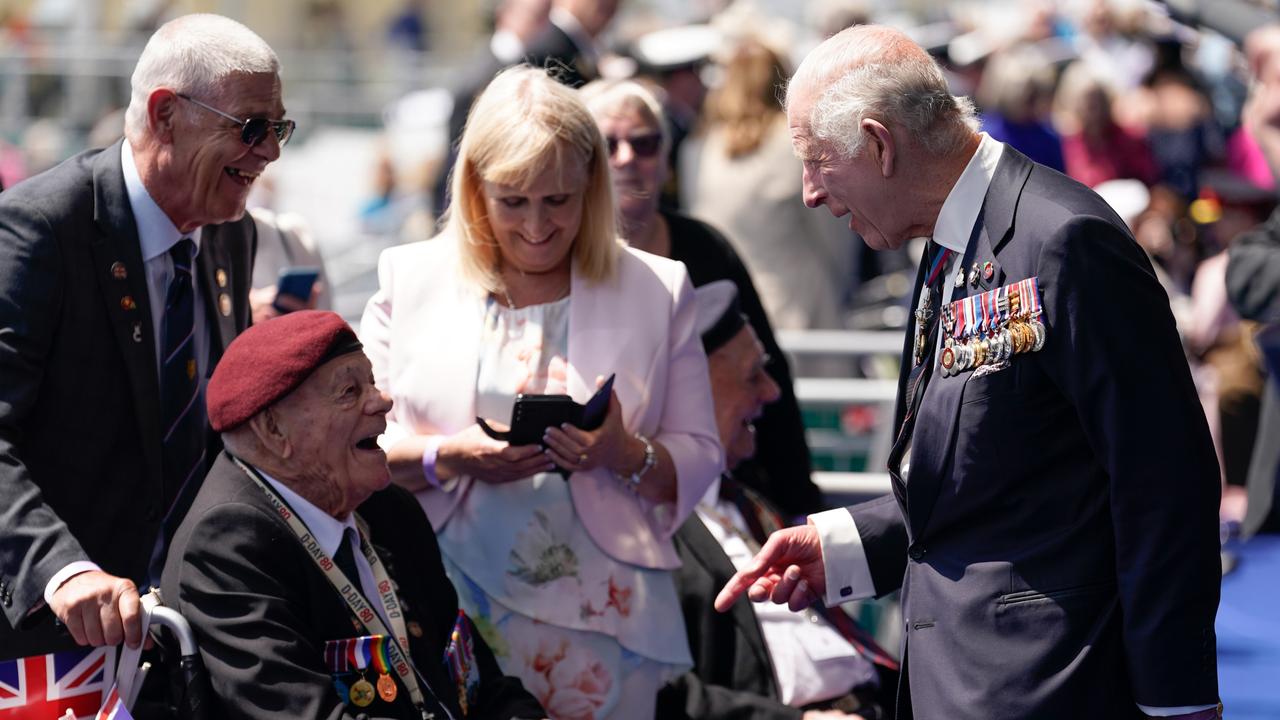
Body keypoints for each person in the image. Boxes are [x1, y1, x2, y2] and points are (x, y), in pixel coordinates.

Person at [716, 25, 1222, 719]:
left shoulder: (1062, 239)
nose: (810, 192)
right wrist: (846, 545)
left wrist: (1177, 702)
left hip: (1053, 689)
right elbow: (994, 474)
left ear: (879, 145)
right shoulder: (947, 244)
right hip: (960, 682)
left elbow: (1163, 481)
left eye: (816, 160)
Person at [360, 66, 723, 719]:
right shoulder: (409, 277)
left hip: (606, 617)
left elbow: (699, 456)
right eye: (512, 201)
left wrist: (622, 451)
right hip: (444, 598)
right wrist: (450, 458)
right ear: (474, 190)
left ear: (593, 187)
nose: (535, 226)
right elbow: (353, 451)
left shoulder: (657, 288)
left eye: (557, 200)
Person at [0, 13, 283, 660]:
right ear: (165, 114)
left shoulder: (230, 231)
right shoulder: (40, 230)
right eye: (252, 127)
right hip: (53, 643)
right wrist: (62, 571)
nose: (269, 151)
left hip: (182, 633)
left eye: (279, 129)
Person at [160, 310, 545, 720]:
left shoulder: (389, 509)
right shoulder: (227, 547)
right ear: (274, 431)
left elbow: (476, 679)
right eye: (349, 391)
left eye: (373, 383)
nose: (382, 402)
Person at [580, 77, 824, 516]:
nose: (627, 158)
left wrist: (799, 504)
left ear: (667, 159)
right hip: (605, 494)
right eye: (607, 144)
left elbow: (771, 378)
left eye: (645, 143)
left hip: (721, 486)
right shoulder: (565, 261)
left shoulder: (706, 249)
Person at [659, 281, 895, 720]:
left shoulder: (746, 501)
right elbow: (656, 693)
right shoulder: (648, 527)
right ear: (691, 398)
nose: (771, 392)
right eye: (752, 376)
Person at [679, 38, 851, 333]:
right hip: (799, 307)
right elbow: (834, 232)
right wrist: (846, 284)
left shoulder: (697, 148)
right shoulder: (795, 145)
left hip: (729, 312)